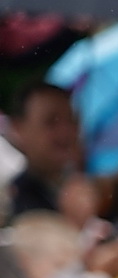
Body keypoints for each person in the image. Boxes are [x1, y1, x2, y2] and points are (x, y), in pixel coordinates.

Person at [5, 82, 79, 220]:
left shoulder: (90, 187)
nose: (66, 131)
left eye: (71, 119)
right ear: (18, 129)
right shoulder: (11, 200)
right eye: (51, 121)